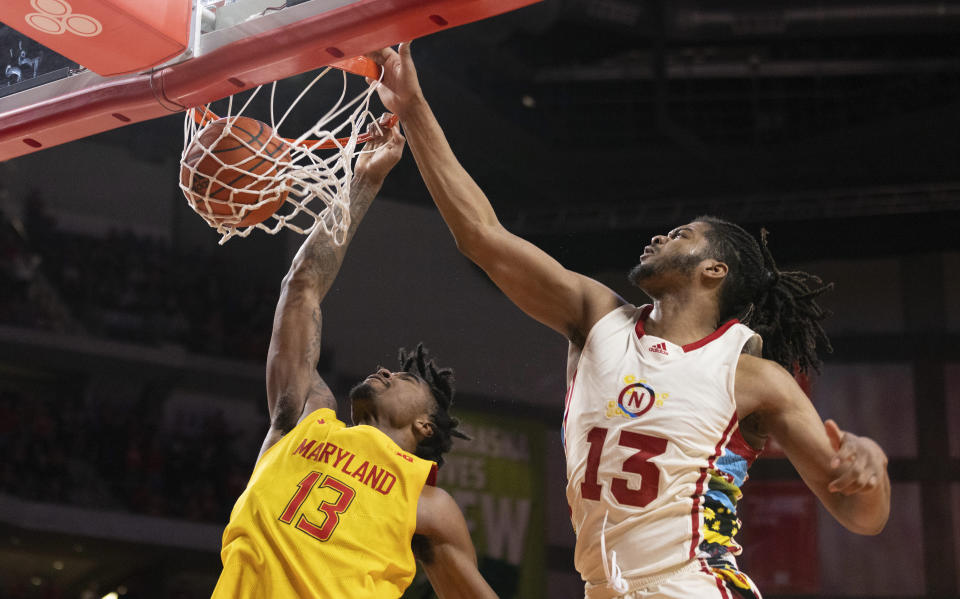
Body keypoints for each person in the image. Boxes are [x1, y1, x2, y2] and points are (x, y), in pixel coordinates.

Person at [369, 44, 891, 599]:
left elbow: (860, 514)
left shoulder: (752, 377)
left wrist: (872, 467)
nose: (661, 236)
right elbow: (483, 237)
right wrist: (415, 105)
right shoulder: (597, 316)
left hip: (692, 585)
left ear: (714, 270)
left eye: (682, 235)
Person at [212, 117, 497, 599]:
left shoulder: (428, 503)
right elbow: (301, 288)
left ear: (426, 426)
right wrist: (366, 179)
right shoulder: (306, 417)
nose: (385, 370)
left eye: (406, 377)